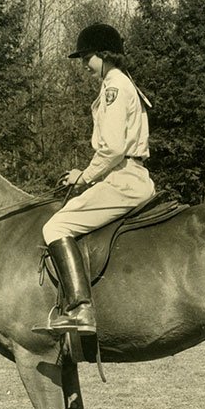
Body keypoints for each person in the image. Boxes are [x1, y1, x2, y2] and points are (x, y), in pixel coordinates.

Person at [36, 23, 155, 335]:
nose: (84, 64)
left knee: (55, 227)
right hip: (126, 175)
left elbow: (113, 148)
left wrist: (83, 177)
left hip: (123, 179)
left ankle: (80, 309)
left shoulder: (114, 87)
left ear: (104, 55)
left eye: (87, 57)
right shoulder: (122, 83)